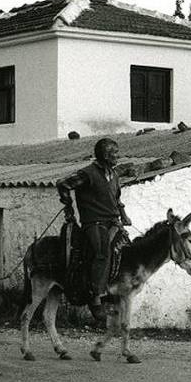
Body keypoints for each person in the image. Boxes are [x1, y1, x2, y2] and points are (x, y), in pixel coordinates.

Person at [56, 138, 132, 323]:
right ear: (105, 155)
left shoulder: (113, 175)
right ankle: (95, 297)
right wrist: (69, 208)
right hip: (94, 222)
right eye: (114, 152)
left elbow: (117, 198)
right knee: (102, 252)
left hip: (113, 221)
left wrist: (123, 215)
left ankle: (114, 290)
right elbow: (63, 184)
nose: (117, 155)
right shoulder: (87, 173)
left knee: (126, 251)